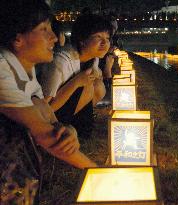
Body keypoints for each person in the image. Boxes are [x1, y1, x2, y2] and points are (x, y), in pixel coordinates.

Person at [0, 0, 96, 204]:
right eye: (44, 29)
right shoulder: (1, 68)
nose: (54, 37)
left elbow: (45, 114)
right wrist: (99, 172)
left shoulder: (24, 68)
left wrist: (69, 129)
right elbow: (46, 136)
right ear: (18, 39)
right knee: (18, 134)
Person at [41, 14, 112, 135]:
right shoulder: (61, 61)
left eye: (107, 38)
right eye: (98, 37)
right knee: (89, 85)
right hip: (49, 115)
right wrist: (76, 82)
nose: (105, 43)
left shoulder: (93, 59)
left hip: (67, 108)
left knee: (98, 85)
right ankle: (70, 126)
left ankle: (77, 121)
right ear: (82, 40)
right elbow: (45, 107)